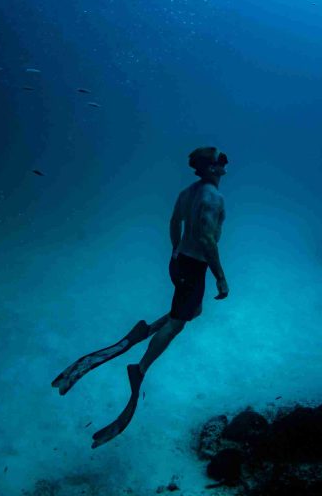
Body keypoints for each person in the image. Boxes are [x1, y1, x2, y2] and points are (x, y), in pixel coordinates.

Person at [52, 146, 229, 448]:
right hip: (195, 265)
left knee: (192, 310)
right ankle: (140, 367)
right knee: (178, 323)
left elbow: (176, 222)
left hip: (180, 262)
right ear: (210, 168)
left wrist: (174, 252)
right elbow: (206, 238)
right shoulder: (213, 198)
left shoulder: (188, 192)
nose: (225, 166)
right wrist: (221, 277)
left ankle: (144, 332)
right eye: (221, 161)